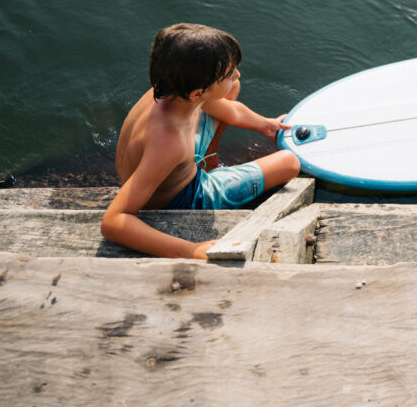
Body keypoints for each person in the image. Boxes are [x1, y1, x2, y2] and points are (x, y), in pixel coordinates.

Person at [101, 23, 301, 259]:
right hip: (184, 196)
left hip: (167, 165)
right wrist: (190, 250)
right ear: (197, 94)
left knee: (231, 90)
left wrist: (266, 124)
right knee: (289, 163)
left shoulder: (173, 88)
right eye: (228, 73)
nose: (237, 74)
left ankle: (208, 161)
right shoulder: (169, 143)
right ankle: (209, 176)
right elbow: (112, 222)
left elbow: (232, 110)